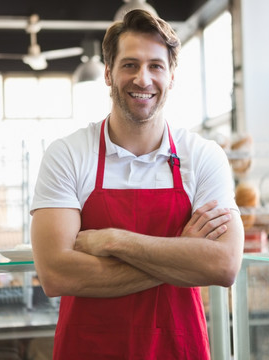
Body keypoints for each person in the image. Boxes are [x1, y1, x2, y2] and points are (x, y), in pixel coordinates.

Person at [30, 9, 244, 359]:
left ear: (172, 76)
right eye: (129, 64)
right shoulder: (68, 154)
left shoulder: (203, 157)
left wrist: (114, 240)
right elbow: (56, 274)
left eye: (156, 66)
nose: (143, 79)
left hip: (178, 348)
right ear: (108, 74)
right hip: (88, 350)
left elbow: (222, 265)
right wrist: (180, 253)